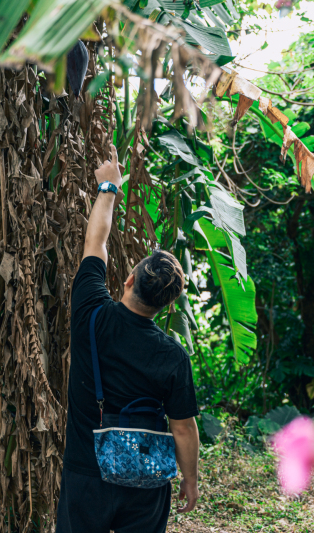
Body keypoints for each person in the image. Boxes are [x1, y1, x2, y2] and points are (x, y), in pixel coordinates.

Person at [56, 146, 200, 533]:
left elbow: (96, 243)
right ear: (167, 305)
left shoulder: (91, 314)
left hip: (87, 475)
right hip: (146, 480)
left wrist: (110, 185)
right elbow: (183, 428)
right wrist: (190, 479)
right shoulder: (173, 356)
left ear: (130, 280)